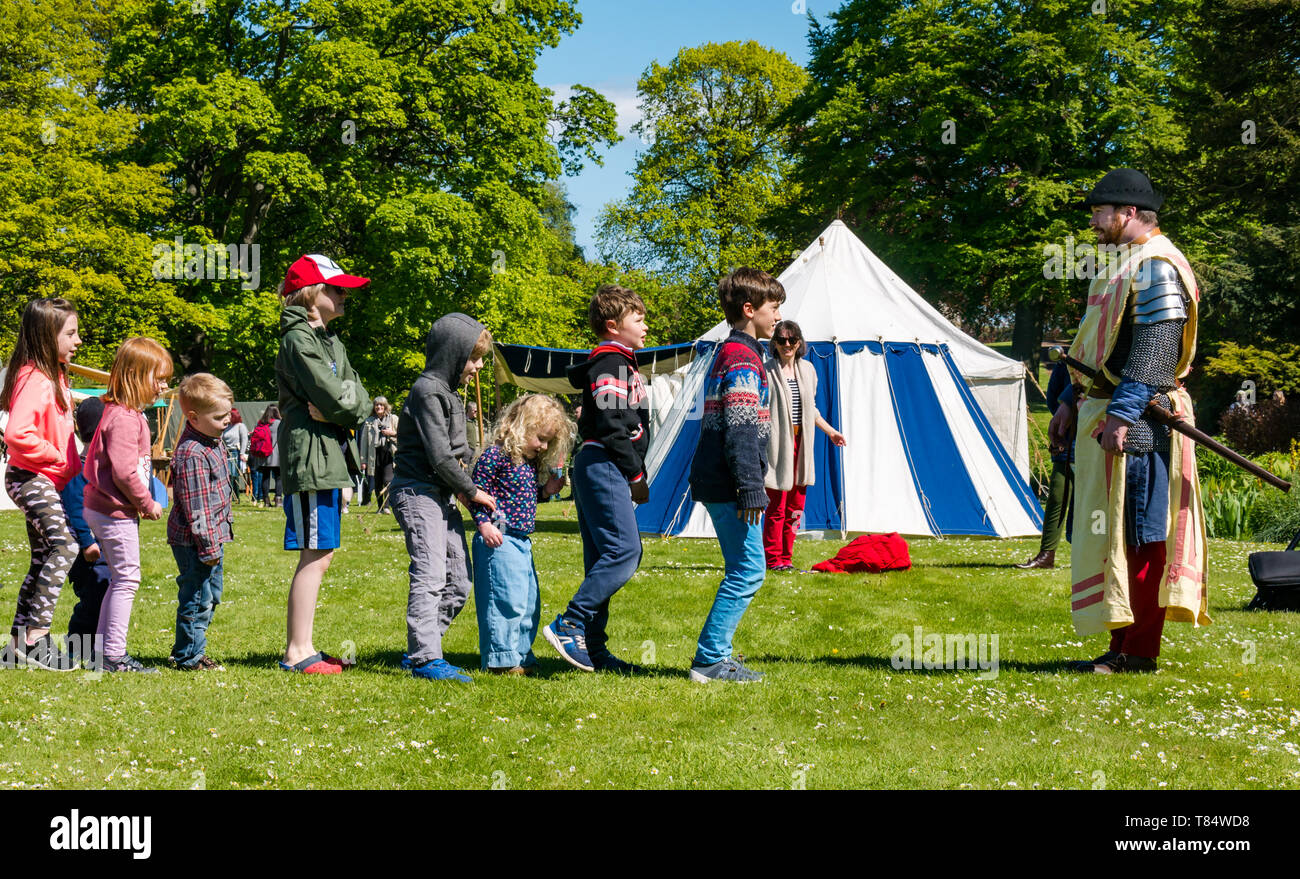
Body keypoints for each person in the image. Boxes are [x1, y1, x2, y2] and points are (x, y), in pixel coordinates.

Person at [1051, 169, 1209, 674]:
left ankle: (1139, 651)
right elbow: (1100, 348)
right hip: (1112, 409)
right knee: (1113, 532)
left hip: (1143, 416)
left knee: (1140, 529)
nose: (1094, 222)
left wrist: (1123, 411)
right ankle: (1120, 645)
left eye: (1101, 212)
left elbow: (1156, 348)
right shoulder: (1124, 264)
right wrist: (1071, 399)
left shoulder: (1157, 265)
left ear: (1130, 213)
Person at [542, 285, 651, 674]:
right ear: (612, 325)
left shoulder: (621, 361)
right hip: (604, 463)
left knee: (604, 558)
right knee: (625, 552)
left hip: (599, 465)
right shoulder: (611, 363)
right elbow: (609, 424)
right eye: (638, 319)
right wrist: (636, 473)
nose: (646, 326)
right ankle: (570, 622)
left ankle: (592, 646)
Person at [275, 254, 373, 674]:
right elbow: (337, 396)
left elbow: (360, 398)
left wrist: (343, 407)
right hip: (312, 455)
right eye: (336, 288)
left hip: (328, 453)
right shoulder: (298, 340)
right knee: (315, 552)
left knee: (323, 549)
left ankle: (305, 646)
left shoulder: (331, 342)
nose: (344, 294)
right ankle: (298, 651)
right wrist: (344, 405)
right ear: (313, 295)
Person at [687, 268, 784, 683]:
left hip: (720, 479)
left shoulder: (736, 353)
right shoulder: (742, 358)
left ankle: (714, 657)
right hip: (730, 482)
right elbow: (741, 428)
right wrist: (750, 487)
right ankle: (711, 660)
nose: (778, 317)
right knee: (748, 570)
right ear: (749, 309)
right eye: (773, 307)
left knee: (743, 568)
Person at [390, 313, 496, 683]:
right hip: (418, 493)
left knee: (458, 582)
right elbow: (439, 456)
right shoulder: (427, 391)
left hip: (443, 495)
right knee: (431, 574)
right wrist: (472, 491)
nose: (479, 367)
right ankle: (424, 658)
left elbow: (461, 450)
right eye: (474, 357)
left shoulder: (449, 393)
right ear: (453, 353)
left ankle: (421, 648)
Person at [1, 298, 84, 670]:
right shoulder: (35, 378)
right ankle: (37, 638)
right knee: (64, 546)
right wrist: (56, 456)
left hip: (43, 478)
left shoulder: (54, 375)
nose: (78, 340)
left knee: (42, 557)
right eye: (70, 333)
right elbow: (17, 433)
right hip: (31, 477)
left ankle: (17, 643)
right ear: (46, 336)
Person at [83, 337, 172, 673]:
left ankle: (103, 652)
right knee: (128, 580)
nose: (163, 386)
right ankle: (113, 655)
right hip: (112, 511)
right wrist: (147, 502)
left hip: (108, 508)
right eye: (159, 378)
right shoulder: (123, 417)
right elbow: (123, 471)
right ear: (136, 377)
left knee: (121, 578)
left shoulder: (128, 414)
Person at [469, 394, 571, 674]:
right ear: (520, 427)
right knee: (504, 599)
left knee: (528, 603)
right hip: (498, 537)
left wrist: (546, 491)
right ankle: (501, 658)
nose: (543, 446)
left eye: (548, 441)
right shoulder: (494, 456)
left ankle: (521, 654)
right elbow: (475, 494)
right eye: (540, 438)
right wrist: (484, 524)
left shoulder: (527, 462)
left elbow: (520, 498)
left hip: (521, 540)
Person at [763, 319, 847, 572]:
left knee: (795, 507)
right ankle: (772, 559)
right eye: (781, 340)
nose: (787, 344)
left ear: (799, 342)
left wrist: (831, 432)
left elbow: (812, 410)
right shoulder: (766, 370)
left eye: (791, 339)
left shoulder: (808, 369)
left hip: (802, 443)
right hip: (778, 444)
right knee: (776, 505)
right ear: (775, 344)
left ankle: (786, 558)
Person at [168, 374, 236, 671]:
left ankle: (189, 649)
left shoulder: (213, 442)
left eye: (228, 414)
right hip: (196, 541)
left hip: (212, 537)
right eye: (220, 417)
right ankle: (188, 657)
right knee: (197, 599)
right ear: (193, 418)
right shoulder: (192, 454)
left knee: (211, 595)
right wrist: (208, 547)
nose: (227, 421)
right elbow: (198, 510)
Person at [61, 397, 109, 664]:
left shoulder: (100, 466)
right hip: (87, 550)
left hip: (104, 546)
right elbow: (75, 509)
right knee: (93, 597)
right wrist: (87, 541)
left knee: (104, 593)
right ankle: (76, 645)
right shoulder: (79, 468)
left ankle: (99, 647)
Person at [1016, 359, 1074, 569]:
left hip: (1094, 436)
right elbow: (1053, 400)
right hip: (1067, 437)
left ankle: (1090, 555)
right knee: (1057, 497)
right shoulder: (1065, 363)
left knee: (1092, 502)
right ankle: (1047, 553)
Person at [358, 396, 398, 513]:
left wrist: (391, 433)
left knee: (387, 480)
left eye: (381, 405)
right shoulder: (369, 421)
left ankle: (386, 507)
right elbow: (364, 443)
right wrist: (363, 460)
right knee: (377, 482)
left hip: (389, 454)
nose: (379, 407)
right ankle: (380, 507)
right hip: (374, 455)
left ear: (385, 406)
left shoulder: (393, 419)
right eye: (376, 405)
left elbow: (403, 435)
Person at [254, 404, 281, 507]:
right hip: (277, 455)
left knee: (265, 477)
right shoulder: (279, 423)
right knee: (279, 477)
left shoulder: (260, 424)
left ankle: (266, 501)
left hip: (263, 455)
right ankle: (278, 500)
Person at [247, 407, 274, 506]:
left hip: (257, 453)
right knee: (260, 475)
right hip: (265, 453)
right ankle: (260, 497)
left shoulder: (258, 425)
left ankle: (258, 497)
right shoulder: (271, 425)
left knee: (259, 475)